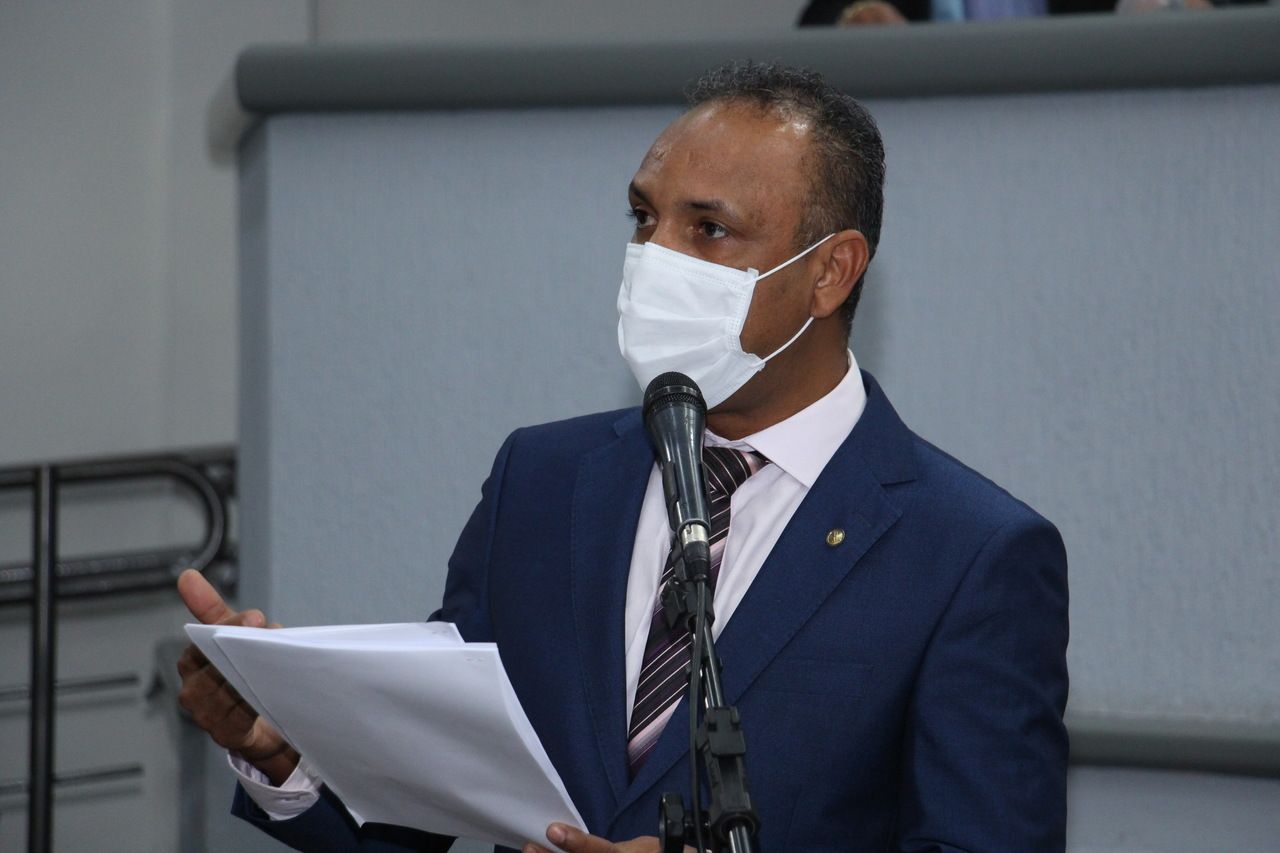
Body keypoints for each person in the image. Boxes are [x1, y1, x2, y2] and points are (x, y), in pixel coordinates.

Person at [177, 61, 1069, 852]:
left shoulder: (971, 553)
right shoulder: (543, 481)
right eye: (644, 218)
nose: (653, 258)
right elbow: (422, 804)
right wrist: (287, 752)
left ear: (830, 271)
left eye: (707, 229)